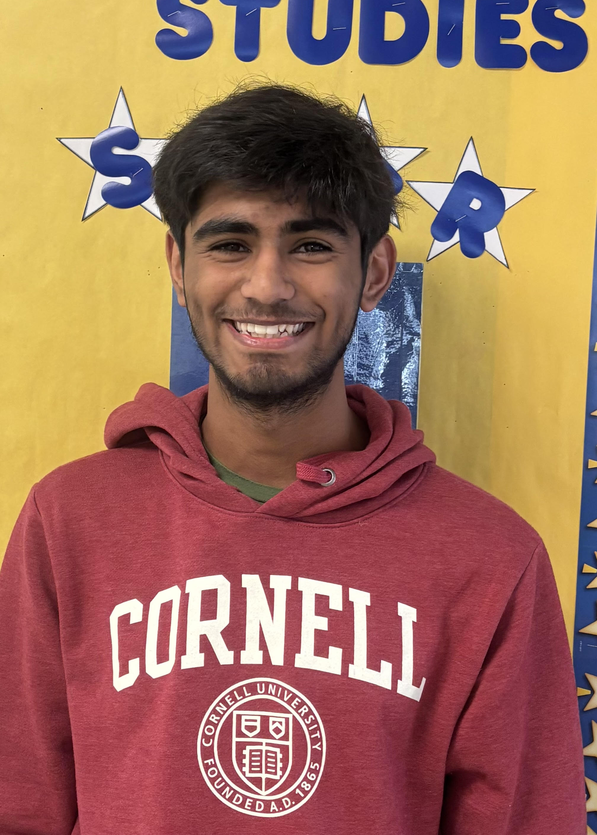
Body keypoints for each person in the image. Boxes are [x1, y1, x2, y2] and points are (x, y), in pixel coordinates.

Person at [0, 83, 585, 834]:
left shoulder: (490, 557)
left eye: (310, 246)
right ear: (178, 264)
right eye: (230, 243)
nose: (267, 286)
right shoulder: (71, 519)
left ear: (373, 272)